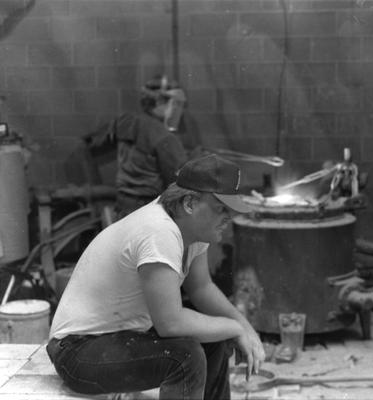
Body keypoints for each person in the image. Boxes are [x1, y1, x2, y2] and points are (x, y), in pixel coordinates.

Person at [46, 154, 266, 400]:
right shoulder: (158, 231)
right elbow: (170, 323)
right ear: (190, 203)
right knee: (185, 356)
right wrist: (234, 327)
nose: (228, 217)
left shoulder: (191, 230)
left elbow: (202, 288)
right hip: (77, 351)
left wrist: (244, 327)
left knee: (212, 338)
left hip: (117, 338)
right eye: (220, 209)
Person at [84, 74, 192, 218]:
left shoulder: (125, 121)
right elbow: (181, 182)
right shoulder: (165, 139)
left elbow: (93, 142)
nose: (177, 110)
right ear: (160, 101)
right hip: (150, 210)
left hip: (122, 208)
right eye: (174, 103)